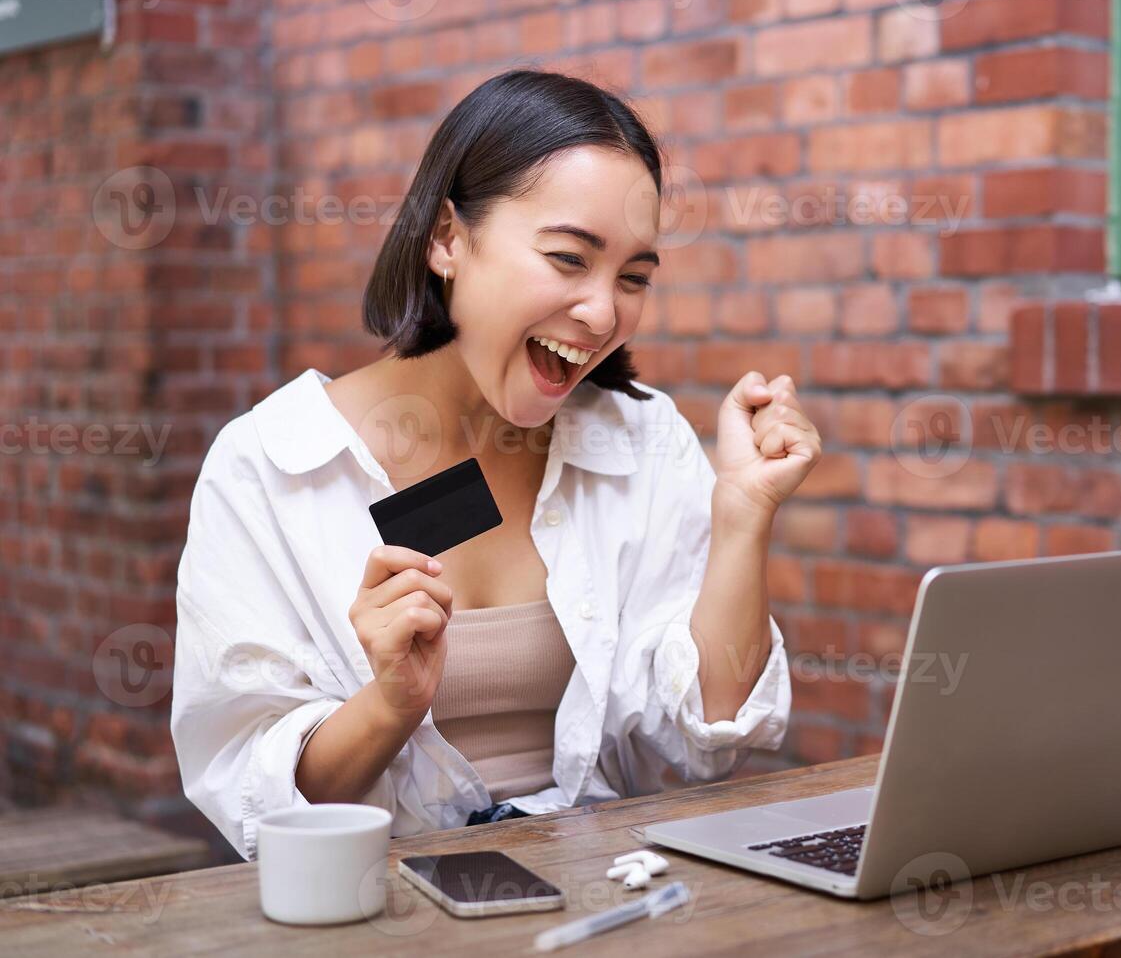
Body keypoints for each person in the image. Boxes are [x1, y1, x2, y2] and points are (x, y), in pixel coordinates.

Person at [169, 69, 819, 861]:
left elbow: (701, 747)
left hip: (602, 893)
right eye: (568, 258)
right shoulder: (270, 464)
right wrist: (389, 706)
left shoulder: (643, 442)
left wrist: (743, 517)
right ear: (447, 238)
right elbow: (252, 799)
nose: (604, 312)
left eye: (635, 277)